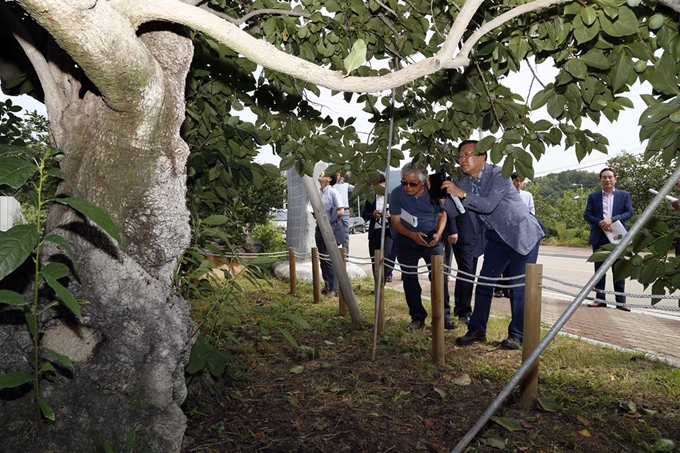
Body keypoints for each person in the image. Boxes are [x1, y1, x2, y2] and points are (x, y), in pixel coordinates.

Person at [442, 140, 544, 350]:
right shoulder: (465, 182)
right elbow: (453, 211)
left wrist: (460, 193)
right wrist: (440, 196)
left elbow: (487, 206)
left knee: (518, 286)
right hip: (495, 238)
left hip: (520, 233)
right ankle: (477, 330)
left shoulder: (499, 173)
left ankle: (517, 335)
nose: (462, 160)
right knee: (484, 283)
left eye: (467, 154)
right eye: (460, 156)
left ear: (482, 156)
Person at [389, 162, 456, 330]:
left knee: (440, 276)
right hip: (406, 239)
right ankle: (417, 316)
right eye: (404, 182)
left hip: (432, 238)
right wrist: (412, 235)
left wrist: (439, 234)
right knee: (410, 278)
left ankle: (443, 316)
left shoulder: (435, 190)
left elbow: (443, 214)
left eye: (412, 183)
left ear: (424, 181)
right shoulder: (397, 193)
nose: (407, 187)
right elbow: (395, 221)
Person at [583, 168, 633, 311]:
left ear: (615, 179)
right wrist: (600, 222)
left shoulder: (624, 195)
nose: (607, 180)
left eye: (610, 177)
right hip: (599, 237)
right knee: (599, 270)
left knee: (619, 269)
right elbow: (587, 215)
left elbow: (629, 212)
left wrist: (612, 220)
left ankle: (621, 301)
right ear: (600, 180)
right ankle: (600, 300)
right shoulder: (593, 196)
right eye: (604, 177)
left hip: (618, 236)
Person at [493, 172, 535, 298]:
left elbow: (531, 212)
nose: (519, 184)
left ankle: (511, 290)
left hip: (521, 233)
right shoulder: (503, 194)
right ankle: (499, 288)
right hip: (505, 232)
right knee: (501, 263)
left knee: (515, 263)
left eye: (521, 181)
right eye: (516, 181)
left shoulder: (527, 195)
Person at [310, 171, 345, 296]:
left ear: (329, 179)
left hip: (332, 230)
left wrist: (326, 219)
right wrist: (318, 217)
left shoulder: (333, 192)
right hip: (320, 229)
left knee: (330, 259)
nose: (320, 174)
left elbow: (341, 211)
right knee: (323, 258)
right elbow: (313, 212)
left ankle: (334, 289)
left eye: (324, 173)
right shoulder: (318, 193)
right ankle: (328, 285)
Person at [362, 173, 394, 282]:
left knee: (387, 256)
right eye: (375, 186)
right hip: (375, 231)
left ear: (384, 184)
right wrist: (373, 214)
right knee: (374, 258)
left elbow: (400, 214)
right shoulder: (370, 199)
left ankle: (385, 278)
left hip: (389, 231)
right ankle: (378, 283)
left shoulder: (391, 197)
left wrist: (391, 215)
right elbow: (364, 214)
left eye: (379, 185)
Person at [334, 172, 354, 254]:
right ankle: (334, 253)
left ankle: (345, 254)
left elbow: (355, 188)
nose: (338, 176)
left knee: (345, 233)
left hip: (345, 210)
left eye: (339, 174)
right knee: (334, 231)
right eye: (336, 174)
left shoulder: (346, 185)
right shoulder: (332, 186)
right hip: (335, 210)